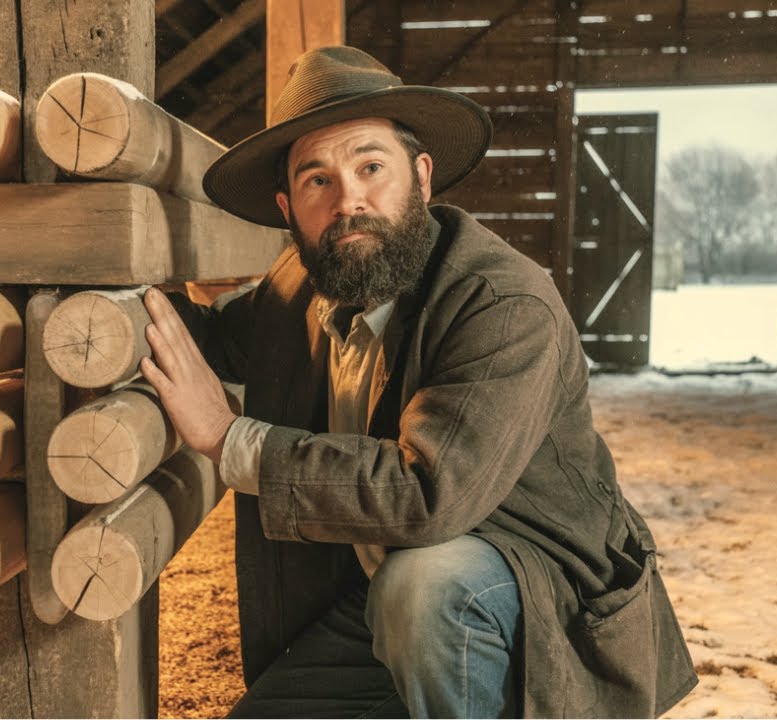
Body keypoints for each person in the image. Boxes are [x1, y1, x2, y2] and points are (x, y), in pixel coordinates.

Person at [137, 45, 697, 718]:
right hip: (376, 612)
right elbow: (205, 339)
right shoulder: (301, 289)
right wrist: (111, 300)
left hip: (535, 609)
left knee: (427, 584)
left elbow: (428, 496)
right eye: (317, 180)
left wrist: (230, 438)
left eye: (371, 167)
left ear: (422, 178)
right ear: (289, 208)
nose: (349, 201)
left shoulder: (504, 303)